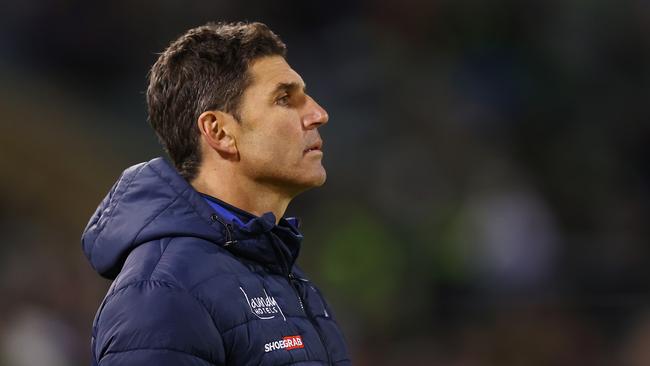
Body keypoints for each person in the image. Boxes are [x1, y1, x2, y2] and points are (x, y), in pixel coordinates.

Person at [81, 21, 351, 365]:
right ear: (219, 131)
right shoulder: (164, 292)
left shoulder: (282, 275)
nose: (318, 114)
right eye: (285, 98)